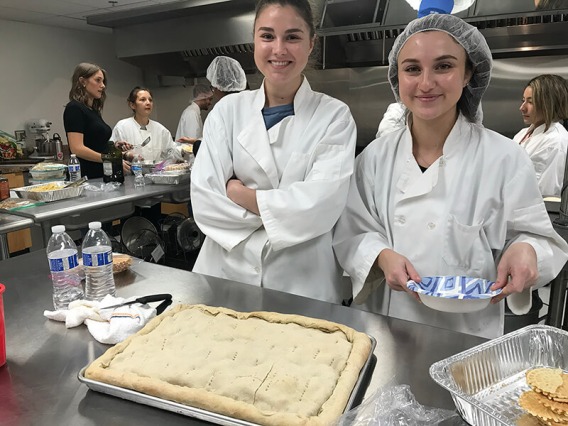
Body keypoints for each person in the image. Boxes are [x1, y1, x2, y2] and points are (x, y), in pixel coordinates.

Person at [332, 13, 568, 339]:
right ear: (397, 77)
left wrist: (527, 250)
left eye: (443, 66)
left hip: (469, 333)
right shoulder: (374, 158)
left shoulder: (503, 158)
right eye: (412, 68)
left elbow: (539, 238)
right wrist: (381, 256)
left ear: (469, 73)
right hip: (388, 327)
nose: (426, 83)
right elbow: (352, 231)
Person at [190, 0, 357, 303]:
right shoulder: (227, 111)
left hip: (301, 283)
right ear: (253, 41)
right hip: (225, 276)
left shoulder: (334, 116)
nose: (278, 49)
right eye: (267, 36)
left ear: (311, 44)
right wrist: (285, 211)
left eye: (292, 37)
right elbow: (205, 201)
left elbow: (320, 207)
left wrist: (243, 196)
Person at [513, 74, 568, 196]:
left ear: (549, 104)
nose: (522, 108)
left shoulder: (555, 142)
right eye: (523, 101)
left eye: (530, 102)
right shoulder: (521, 134)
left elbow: (545, 194)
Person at [63, 62, 113, 179]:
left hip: (101, 175)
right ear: (83, 81)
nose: (103, 86)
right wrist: (109, 159)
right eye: (98, 80)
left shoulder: (93, 111)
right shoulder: (74, 108)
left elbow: (94, 143)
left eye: (103, 81)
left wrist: (116, 147)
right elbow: (77, 148)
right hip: (87, 177)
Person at [112, 86, 179, 163]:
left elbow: (171, 155)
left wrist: (182, 151)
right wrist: (125, 153)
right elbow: (112, 154)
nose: (148, 103)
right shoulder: (122, 127)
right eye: (142, 100)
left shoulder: (161, 130)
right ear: (132, 105)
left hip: (157, 173)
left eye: (150, 100)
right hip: (129, 173)